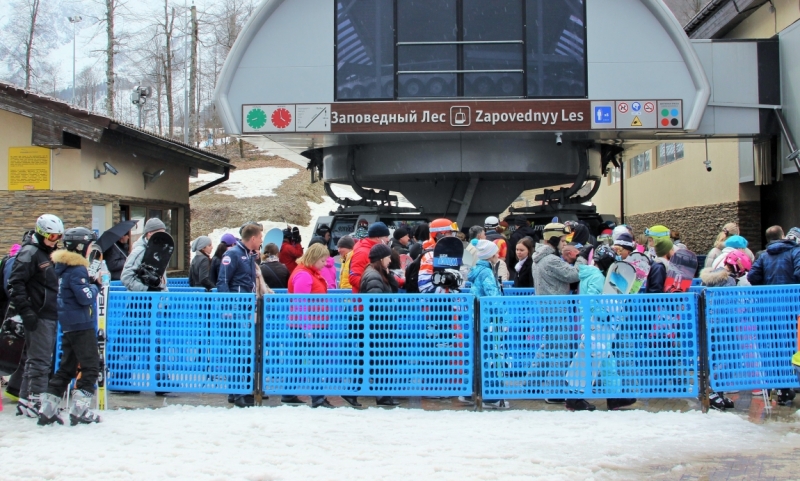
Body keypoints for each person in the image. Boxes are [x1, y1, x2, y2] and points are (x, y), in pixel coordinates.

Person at [37, 227, 102, 425]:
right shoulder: (77, 269)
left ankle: (47, 409)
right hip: (80, 323)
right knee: (91, 366)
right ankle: (80, 410)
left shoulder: (63, 268)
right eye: (90, 245)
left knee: (67, 366)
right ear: (81, 247)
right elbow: (85, 298)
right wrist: (95, 285)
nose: (92, 249)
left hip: (68, 322)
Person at [7, 214, 64, 418]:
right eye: (51, 236)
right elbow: (15, 283)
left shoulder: (48, 253)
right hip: (38, 313)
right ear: (41, 234)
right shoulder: (30, 253)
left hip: (48, 311)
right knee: (40, 360)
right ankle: (36, 399)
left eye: (58, 236)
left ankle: (24, 399)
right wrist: (26, 310)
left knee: (34, 359)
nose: (55, 240)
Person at [747, 225, 800, 406]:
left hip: (766, 309)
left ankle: (770, 386)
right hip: (790, 307)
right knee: (789, 345)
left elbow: (752, 277)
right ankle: (786, 388)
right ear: (783, 236)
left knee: (769, 347)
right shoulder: (795, 252)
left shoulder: (763, 255)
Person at [280, 244, 336, 409]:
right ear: (314, 258)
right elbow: (300, 303)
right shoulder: (304, 275)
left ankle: (289, 394)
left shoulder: (307, 272)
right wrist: (307, 328)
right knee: (315, 361)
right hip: (308, 326)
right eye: (322, 260)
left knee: (298, 360)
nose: (324, 263)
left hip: (306, 325)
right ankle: (317, 397)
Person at [699, 250, 753, 410]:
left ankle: (717, 390)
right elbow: (729, 305)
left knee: (719, 357)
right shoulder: (729, 280)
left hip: (712, 323)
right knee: (730, 357)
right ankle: (711, 389)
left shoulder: (711, 278)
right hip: (724, 325)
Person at [467, 239, 510, 409]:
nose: (497, 254)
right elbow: (493, 297)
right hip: (488, 320)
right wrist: (503, 316)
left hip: (479, 319)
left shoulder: (478, 270)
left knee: (480, 356)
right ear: (490, 255)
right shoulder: (486, 273)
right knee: (491, 357)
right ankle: (490, 396)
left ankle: (473, 391)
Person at [121, 218, 169, 292]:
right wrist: (147, 289)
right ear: (149, 233)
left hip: (158, 300)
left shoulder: (160, 252)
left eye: (164, 232)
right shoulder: (139, 251)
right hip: (139, 301)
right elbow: (126, 277)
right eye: (160, 233)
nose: (163, 236)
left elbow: (162, 278)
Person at [418, 218, 461, 294]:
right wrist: (445, 284)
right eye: (451, 233)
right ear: (440, 234)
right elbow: (424, 287)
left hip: (451, 302)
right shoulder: (430, 256)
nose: (454, 236)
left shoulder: (452, 254)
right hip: (435, 303)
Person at [349, 222, 391, 293]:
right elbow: (353, 277)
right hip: (364, 301)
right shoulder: (362, 252)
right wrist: (372, 286)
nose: (388, 240)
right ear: (378, 237)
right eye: (386, 236)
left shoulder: (377, 251)